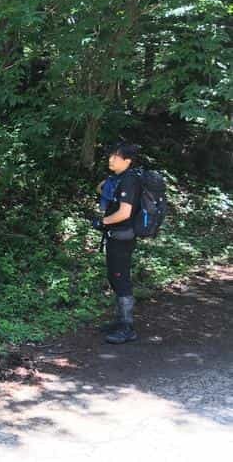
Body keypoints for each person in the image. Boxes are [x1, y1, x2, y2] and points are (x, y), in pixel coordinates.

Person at [93, 143, 141, 345]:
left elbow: (124, 213)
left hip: (123, 236)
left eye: (116, 157)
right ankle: (120, 321)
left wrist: (101, 221)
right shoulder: (118, 179)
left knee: (121, 279)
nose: (111, 159)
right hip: (115, 235)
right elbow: (100, 188)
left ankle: (127, 328)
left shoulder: (129, 181)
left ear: (127, 161)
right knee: (114, 276)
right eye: (111, 156)